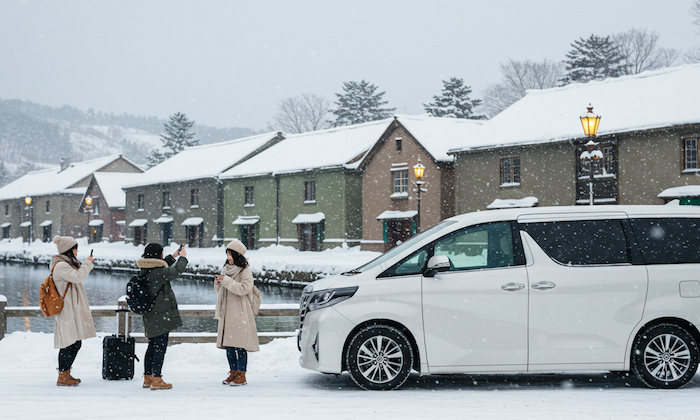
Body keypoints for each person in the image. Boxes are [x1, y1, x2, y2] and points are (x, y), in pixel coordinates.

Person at [136, 243, 187, 390]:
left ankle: (148, 377)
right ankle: (157, 379)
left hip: (150, 314)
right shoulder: (158, 273)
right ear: (158, 254)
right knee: (160, 347)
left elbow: (162, 267)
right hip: (161, 315)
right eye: (162, 253)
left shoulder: (145, 269)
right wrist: (183, 258)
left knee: (152, 346)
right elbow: (176, 271)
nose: (163, 255)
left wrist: (174, 256)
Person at [214, 240, 259, 386]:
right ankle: (233, 372)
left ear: (237, 255)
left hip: (240, 313)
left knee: (240, 345)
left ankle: (242, 374)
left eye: (230, 254)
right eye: (227, 254)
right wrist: (218, 283)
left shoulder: (245, 271)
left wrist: (226, 281)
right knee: (229, 346)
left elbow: (244, 289)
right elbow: (219, 292)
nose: (228, 257)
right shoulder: (226, 269)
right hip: (227, 312)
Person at [52, 236, 95, 386]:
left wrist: (84, 263)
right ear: (69, 250)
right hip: (67, 310)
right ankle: (63, 375)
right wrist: (87, 263)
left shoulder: (65, 264)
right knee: (70, 343)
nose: (77, 251)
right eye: (75, 248)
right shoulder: (61, 266)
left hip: (71, 309)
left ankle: (65, 374)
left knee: (74, 342)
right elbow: (78, 277)